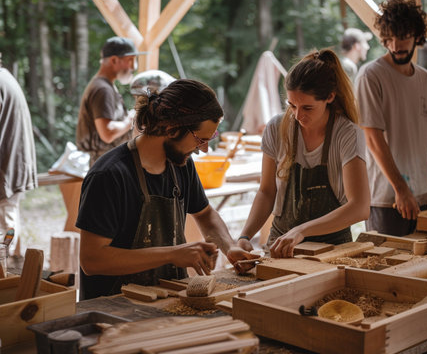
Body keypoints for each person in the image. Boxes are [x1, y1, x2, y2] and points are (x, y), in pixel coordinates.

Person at [77, 78, 256, 300]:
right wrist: (172, 254)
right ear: (172, 129)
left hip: (167, 298)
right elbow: (92, 260)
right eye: (200, 139)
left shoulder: (181, 164)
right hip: (113, 305)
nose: (203, 149)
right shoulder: (109, 175)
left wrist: (230, 248)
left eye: (211, 138)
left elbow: (206, 215)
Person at [236, 49, 370, 260]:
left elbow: (360, 207)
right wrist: (245, 235)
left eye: (307, 107)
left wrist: (302, 230)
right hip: (281, 246)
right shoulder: (277, 127)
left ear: (330, 97)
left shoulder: (347, 134)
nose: (298, 115)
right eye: (292, 105)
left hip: (331, 250)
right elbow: (266, 191)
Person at [356, 0, 427, 236]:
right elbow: (373, 139)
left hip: (422, 194)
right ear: (385, 39)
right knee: (387, 271)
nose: (397, 45)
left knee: (425, 270)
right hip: (388, 198)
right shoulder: (371, 76)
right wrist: (401, 189)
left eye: (404, 36)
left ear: (417, 37)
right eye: (391, 38)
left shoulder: (424, 79)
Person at [76, 36, 143, 167]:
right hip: (106, 165)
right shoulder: (102, 89)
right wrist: (131, 118)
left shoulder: (106, 85)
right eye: (130, 60)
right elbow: (107, 133)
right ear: (114, 60)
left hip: (109, 162)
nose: (134, 67)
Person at [0, 57, 38, 248]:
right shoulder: (5, 77)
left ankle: (6, 273)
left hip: (6, 169)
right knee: (8, 220)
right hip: (12, 164)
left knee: (5, 229)